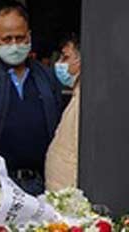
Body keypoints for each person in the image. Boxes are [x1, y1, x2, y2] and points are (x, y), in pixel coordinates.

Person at [0, 2, 63, 195]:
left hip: (40, 183)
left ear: (29, 36)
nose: (14, 44)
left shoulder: (46, 77)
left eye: (20, 38)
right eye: (7, 39)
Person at [45, 36, 81, 191]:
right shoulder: (77, 96)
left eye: (66, 57)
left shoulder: (85, 102)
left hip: (70, 196)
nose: (60, 63)